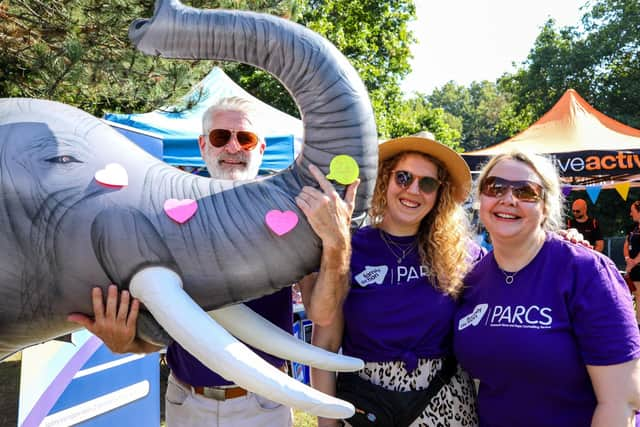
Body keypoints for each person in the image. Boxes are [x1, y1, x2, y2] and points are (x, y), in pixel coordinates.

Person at [68, 96, 358, 427]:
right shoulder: (166, 214)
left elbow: (320, 313)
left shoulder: (292, 214)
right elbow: (154, 335)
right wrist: (125, 342)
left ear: (260, 148)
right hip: (186, 402)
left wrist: (336, 244)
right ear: (204, 145)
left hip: (263, 406)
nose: (233, 147)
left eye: (245, 138)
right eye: (221, 137)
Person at [454, 150, 640, 427]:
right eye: (495, 187)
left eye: (526, 191)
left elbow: (620, 401)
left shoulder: (586, 272)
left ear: (546, 206)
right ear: (481, 199)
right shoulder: (472, 279)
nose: (508, 199)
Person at [305, 135, 481, 427]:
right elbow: (325, 343)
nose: (413, 190)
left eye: (427, 183)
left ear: (439, 193)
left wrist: (561, 246)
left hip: (444, 402)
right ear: (385, 180)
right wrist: (328, 421)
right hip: (366, 402)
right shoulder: (348, 247)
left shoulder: (462, 254)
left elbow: (513, 275)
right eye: (403, 177)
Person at [624, 200, 640, 323]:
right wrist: (628, 259)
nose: (630, 214)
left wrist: (634, 262)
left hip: (637, 269)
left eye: (632, 211)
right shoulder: (633, 228)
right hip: (633, 271)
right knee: (635, 298)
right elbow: (626, 244)